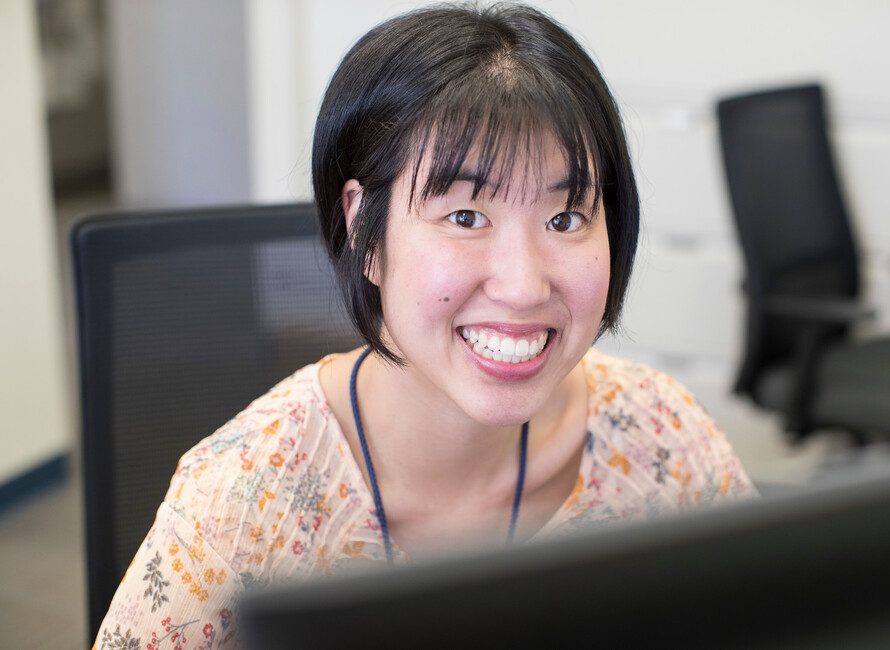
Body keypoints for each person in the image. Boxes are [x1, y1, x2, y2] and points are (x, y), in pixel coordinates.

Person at [94, 3, 754, 648]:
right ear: (365, 231)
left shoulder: (659, 440)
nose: (524, 286)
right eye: (465, 216)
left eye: (565, 218)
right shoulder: (241, 507)